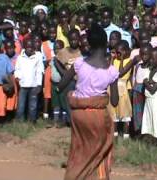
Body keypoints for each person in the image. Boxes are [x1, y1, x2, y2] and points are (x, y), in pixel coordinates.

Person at [59, 23, 119, 180]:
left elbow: (61, 85)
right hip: (98, 117)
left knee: (80, 150)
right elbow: (114, 101)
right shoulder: (111, 71)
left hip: (78, 115)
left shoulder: (79, 63)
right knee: (98, 153)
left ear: (88, 44)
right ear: (106, 44)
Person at [109, 40, 136, 138]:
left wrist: (120, 60)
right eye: (116, 52)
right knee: (114, 113)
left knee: (125, 113)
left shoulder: (129, 61)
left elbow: (120, 73)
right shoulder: (114, 60)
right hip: (113, 88)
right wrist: (112, 59)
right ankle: (114, 134)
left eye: (119, 52)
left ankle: (126, 135)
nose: (117, 54)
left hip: (123, 88)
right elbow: (110, 71)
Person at [55, 29, 81, 126]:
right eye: (71, 40)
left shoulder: (82, 50)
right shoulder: (63, 52)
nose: (73, 41)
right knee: (68, 99)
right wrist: (64, 73)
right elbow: (56, 60)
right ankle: (70, 121)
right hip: (69, 80)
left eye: (75, 39)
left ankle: (79, 120)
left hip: (81, 80)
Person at [14, 38, 44, 123]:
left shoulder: (37, 57)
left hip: (34, 85)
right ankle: (19, 121)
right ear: (24, 47)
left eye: (31, 47)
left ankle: (32, 121)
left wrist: (39, 84)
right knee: (21, 105)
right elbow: (17, 69)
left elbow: (39, 71)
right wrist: (18, 78)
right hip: (23, 85)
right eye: (28, 47)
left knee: (33, 105)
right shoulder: (20, 57)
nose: (30, 49)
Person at [142, 47, 157, 139]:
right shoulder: (150, 69)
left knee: (156, 120)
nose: (150, 60)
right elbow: (149, 83)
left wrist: (146, 82)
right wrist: (149, 82)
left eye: (153, 58)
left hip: (156, 100)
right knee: (149, 120)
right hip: (149, 99)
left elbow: (153, 90)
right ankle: (150, 139)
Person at [132, 43, 152, 135]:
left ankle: (147, 131)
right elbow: (135, 78)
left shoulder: (151, 68)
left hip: (146, 91)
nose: (144, 57)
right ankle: (138, 131)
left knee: (146, 111)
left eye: (146, 54)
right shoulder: (138, 66)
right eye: (142, 54)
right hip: (137, 91)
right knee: (138, 112)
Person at [4, 40, 19, 117]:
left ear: (14, 48)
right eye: (7, 48)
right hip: (5, 79)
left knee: (15, 97)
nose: (10, 49)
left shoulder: (18, 57)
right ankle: (6, 114)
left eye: (11, 48)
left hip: (15, 79)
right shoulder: (2, 57)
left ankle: (14, 113)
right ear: (5, 49)